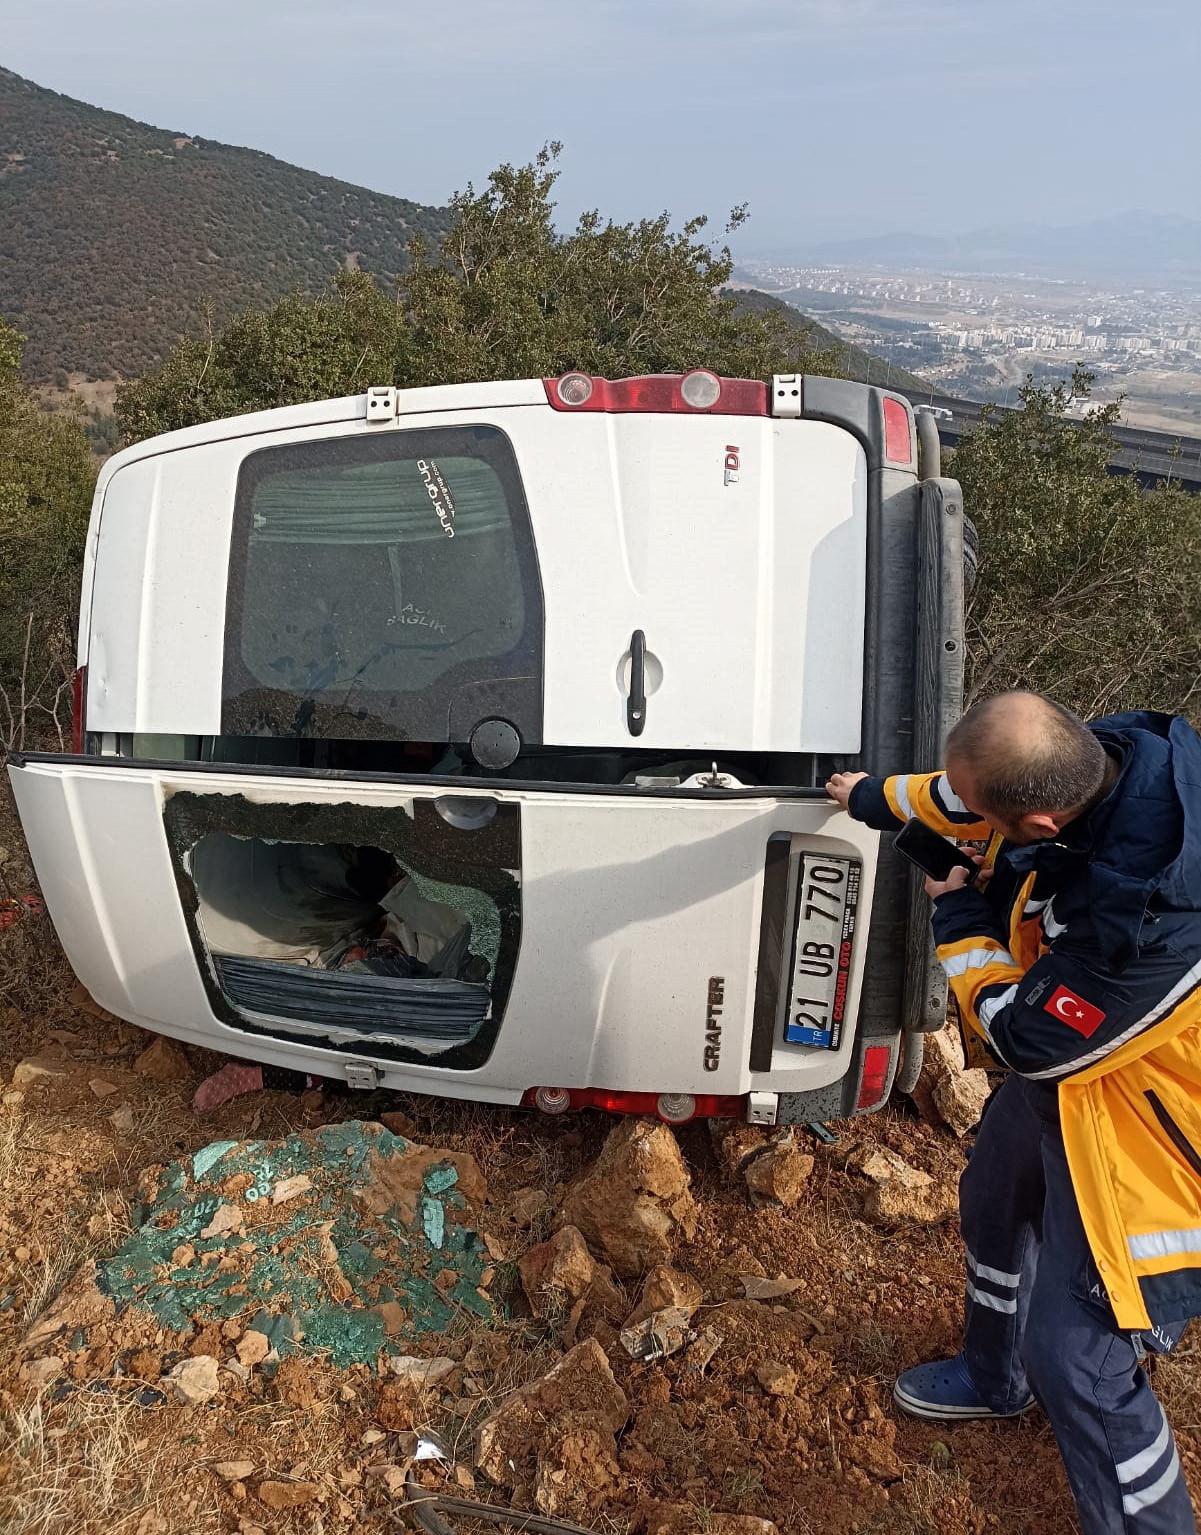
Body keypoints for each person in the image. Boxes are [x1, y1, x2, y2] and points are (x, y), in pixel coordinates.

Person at [827, 692, 1201, 1534]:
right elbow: (962, 795)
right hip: (1081, 1087)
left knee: (1077, 1360)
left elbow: (1028, 1038)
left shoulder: (1150, 922)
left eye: (996, 821)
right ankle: (994, 1379)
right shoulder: (1108, 756)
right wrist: (866, 796)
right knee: (992, 1198)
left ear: (1038, 816)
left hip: (1156, 1134)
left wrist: (956, 914)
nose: (971, 821)